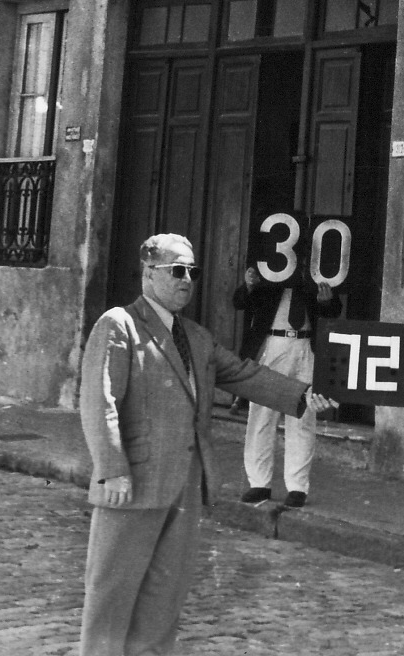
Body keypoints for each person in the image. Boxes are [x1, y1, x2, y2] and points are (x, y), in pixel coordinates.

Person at [78, 233, 334, 655]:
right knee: (112, 596)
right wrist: (112, 468)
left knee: (164, 598)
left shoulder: (196, 337)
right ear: (148, 273)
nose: (186, 280)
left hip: (185, 487)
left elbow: (245, 374)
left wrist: (304, 396)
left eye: (192, 272)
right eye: (177, 271)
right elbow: (98, 400)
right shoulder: (119, 325)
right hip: (132, 483)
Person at [233, 259, 341, 507]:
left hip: (306, 346)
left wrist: (326, 301)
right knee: (261, 415)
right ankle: (259, 483)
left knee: (303, 417)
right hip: (272, 343)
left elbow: (334, 310)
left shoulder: (318, 269)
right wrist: (248, 285)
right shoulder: (268, 268)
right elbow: (239, 302)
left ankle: (297, 487)